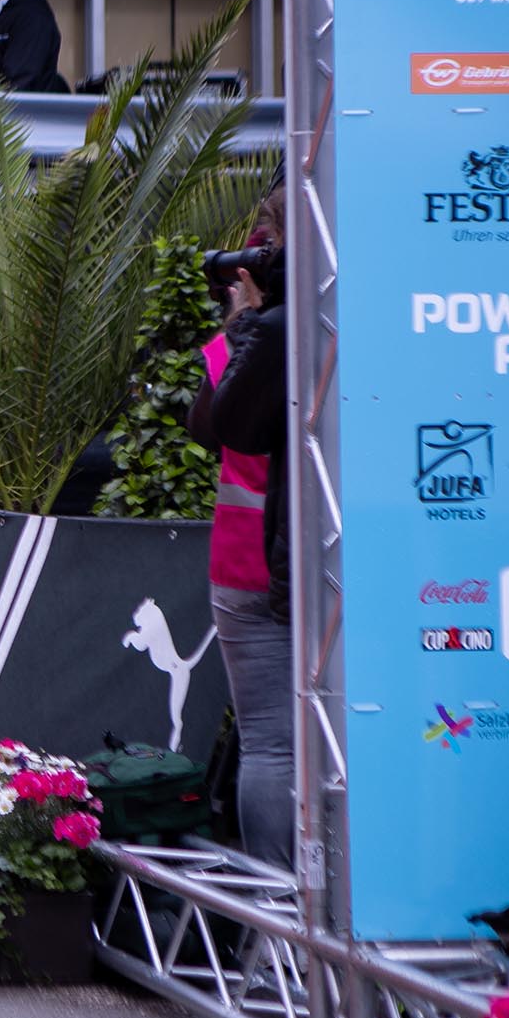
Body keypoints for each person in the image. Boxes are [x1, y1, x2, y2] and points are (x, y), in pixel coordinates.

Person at [188, 191, 291, 871]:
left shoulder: (251, 338)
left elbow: (205, 427)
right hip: (302, 566)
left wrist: (242, 322)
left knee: (270, 746)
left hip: (245, 568)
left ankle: (281, 908)